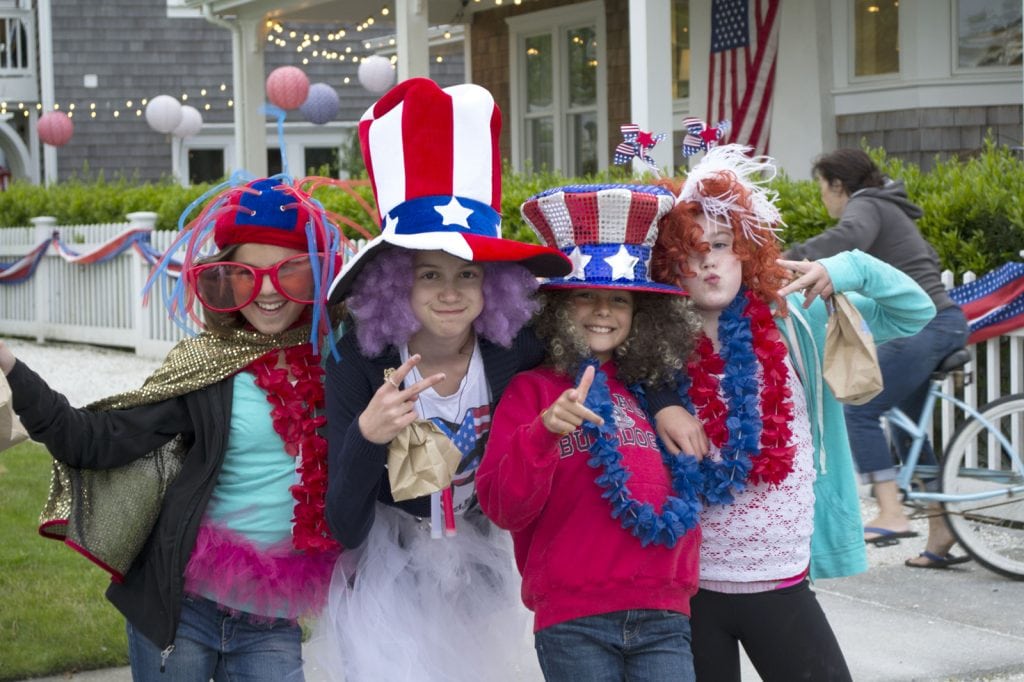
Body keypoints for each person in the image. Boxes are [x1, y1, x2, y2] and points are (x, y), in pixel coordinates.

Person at [0, 175, 350, 681]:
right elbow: (95, 440)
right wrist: (11, 365)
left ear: (318, 276)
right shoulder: (207, 364)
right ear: (225, 281)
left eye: (289, 272)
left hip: (271, 619)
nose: (269, 290)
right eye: (247, 274)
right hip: (182, 608)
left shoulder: (341, 361)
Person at [650, 144, 936, 681]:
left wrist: (846, 267)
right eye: (690, 251)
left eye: (721, 245)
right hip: (688, 584)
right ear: (670, 265)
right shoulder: (657, 338)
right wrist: (663, 401)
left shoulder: (793, 316)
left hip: (780, 577)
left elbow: (915, 310)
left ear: (747, 251)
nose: (708, 261)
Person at [319, 78, 573, 681]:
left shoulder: (516, 350)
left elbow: (608, 341)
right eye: (429, 274)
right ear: (395, 282)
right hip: (390, 566)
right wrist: (367, 433)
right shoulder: (356, 361)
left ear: (496, 285)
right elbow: (344, 524)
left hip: (483, 565)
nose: (452, 293)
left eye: (469, 274)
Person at [476, 183, 705, 681]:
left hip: (665, 613)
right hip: (575, 619)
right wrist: (543, 431)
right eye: (585, 296)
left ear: (641, 316)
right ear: (557, 309)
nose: (603, 310)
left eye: (618, 299)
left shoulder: (653, 395)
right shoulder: (532, 392)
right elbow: (502, 505)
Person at [784, 148, 971, 569]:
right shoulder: (890, 207)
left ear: (837, 184)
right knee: (911, 428)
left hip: (929, 324)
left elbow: (847, 240)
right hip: (942, 323)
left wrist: (788, 259)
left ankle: (892, 514)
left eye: (822, 188)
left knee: (860, 404)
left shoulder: (867, 204)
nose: (822, 199)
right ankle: (941, 531)